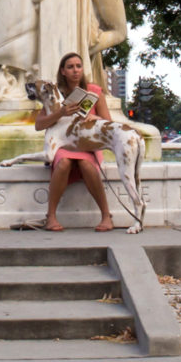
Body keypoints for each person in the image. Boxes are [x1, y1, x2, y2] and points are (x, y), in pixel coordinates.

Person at [31, 52, 116, 232]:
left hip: (87, 144)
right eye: (70, 67)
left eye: (78, 66)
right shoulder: (56, 94)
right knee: (63, 163)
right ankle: (51, 216)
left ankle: (106, 216)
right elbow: (39, 125)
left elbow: (108, 123)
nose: (75, 70)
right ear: (63, 71)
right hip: (64, 144)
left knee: (86, 164)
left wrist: (94, 117)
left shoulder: (94, 91)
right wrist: (60, 113)